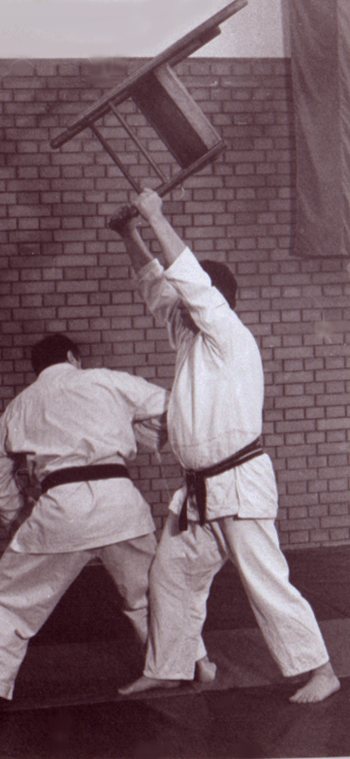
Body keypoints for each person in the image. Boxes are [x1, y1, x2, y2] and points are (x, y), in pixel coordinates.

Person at [109, 189, 340, 704]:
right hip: (199, 492)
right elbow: (157, 288)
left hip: (237, 483)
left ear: (212, 299)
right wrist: (130, 234)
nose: (178, 307)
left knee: (264, 579)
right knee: (171, 575)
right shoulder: (191, 339)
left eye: (189, 298)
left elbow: (187, 279)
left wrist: (156, 217)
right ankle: (169, 667)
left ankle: (320, 670)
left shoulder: (229, 335)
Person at [0, 332, 169, 721]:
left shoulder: (21, 404)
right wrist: (146, 434)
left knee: (5, 602)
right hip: (121, 503)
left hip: (62, 510)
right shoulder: (106, 380)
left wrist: (18, 517)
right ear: (72, 357)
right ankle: (185, 665)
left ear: (38, 369)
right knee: (153, 591)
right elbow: (173, 406)